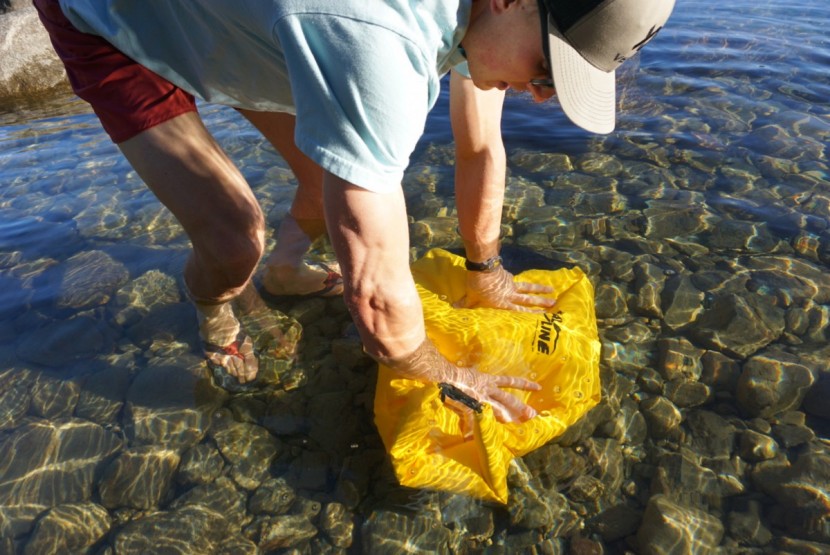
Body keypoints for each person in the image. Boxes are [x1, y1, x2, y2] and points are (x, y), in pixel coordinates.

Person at [35, 0, 675, 423]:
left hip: (232, 22)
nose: (538, 96)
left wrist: (487, 268)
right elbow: (376, 305)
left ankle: (282, 275)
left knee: (326, 181)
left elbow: (482, 144)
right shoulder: (381, 44)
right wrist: (447, 372)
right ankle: (216, 309)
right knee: (235, 239)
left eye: (554, 86)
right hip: (117, 24)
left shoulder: (486, 20)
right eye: (545, 69)